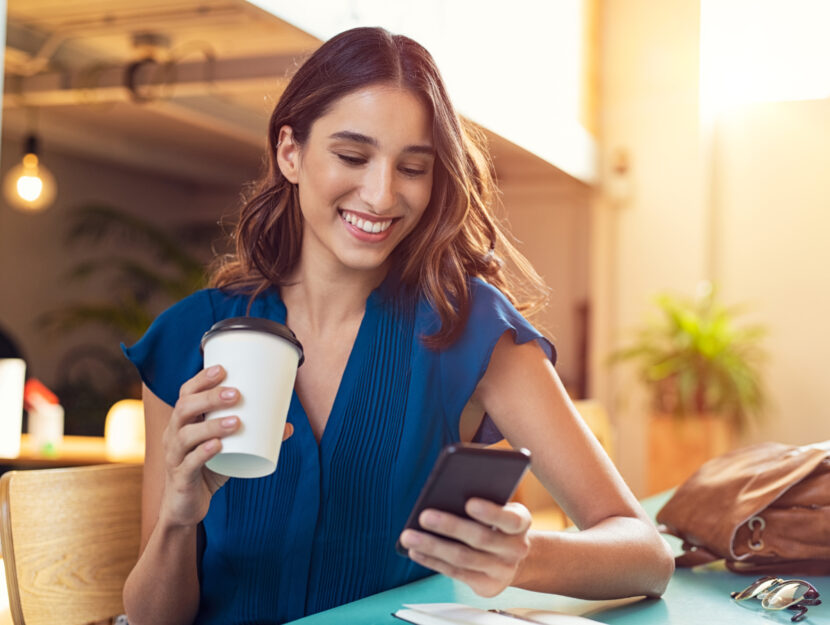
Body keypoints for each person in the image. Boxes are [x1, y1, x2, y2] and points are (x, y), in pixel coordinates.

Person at [121, 26, 674, 625]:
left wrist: (524, 555)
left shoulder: (470, 329)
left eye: (413, 167)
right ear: (290, 152)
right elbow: (153, 619)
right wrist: (178, 519)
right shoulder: (188, 338)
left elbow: (645, 555)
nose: (382, 195)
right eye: (352, 156)